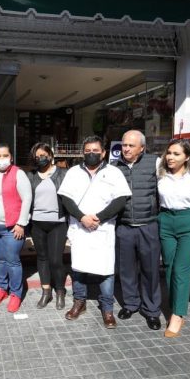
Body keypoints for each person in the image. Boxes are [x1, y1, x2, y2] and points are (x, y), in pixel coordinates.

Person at [58, 136, 131, 329]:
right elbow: (66, 198)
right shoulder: (73, 172)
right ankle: (79, 302)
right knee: (78, 268)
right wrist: (82, 217)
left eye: (95, 151)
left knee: (106, 270)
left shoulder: (114, 173)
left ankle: (107, 309)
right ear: (83, 153)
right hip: (80, 227)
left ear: (103, 153)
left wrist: (99, 218)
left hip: (103, 228)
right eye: (88, 151)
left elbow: (121, 199)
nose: (91, 154)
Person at [114, 129, 163, 330]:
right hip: (124, 226)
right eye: (124, 145)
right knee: (126, 270)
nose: (126, 149)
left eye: (131, 145)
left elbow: (165, 190)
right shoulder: (114, 167)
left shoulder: (155, 163)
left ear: (142, 148)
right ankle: (130, 304)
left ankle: (151, 310)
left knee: (150, 270)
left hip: (148, 225)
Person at [156, 139, 190, 338]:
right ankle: (175, 305)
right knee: (169, 267)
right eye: (169, 153)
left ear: (187, 157)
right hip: (166, 220)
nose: (170, 157)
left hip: (189, 222)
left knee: (181, 269)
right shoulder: (160, 173)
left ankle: (177, 314)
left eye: (176, 154)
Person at [0, 143, 32, 313]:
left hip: (12, 228)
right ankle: (1, 289)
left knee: (12, 261)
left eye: (5, 155)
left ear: (11, 157)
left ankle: (15, 294)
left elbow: (27, 198)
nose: (2, 159)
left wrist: (21, 223)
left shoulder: (18, 174)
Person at [26, 142, 68, 309]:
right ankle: (46, 292)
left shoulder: (63, 174)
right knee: (42, 258)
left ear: (50, 155)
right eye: (37, 157)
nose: (40, 159)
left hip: (58, 223)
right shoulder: (31, 175)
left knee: (56, 260)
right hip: (37, 223)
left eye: (43, 155)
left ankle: (60, 291)